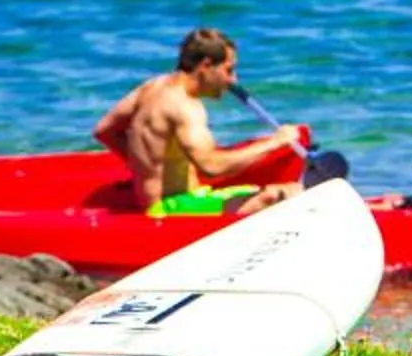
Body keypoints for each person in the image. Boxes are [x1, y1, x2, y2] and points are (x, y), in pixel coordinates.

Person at [95, 29, 309, 218]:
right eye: (228, 70)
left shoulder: (152, 87)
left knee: (262, 189)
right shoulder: (184, 107)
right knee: (288, 194)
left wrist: (144, 167)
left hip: (175, 201)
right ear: (206, 66)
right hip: (170, 211)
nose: (233, 80)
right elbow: (211, 167)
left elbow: (104, 131)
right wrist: (274, 143)